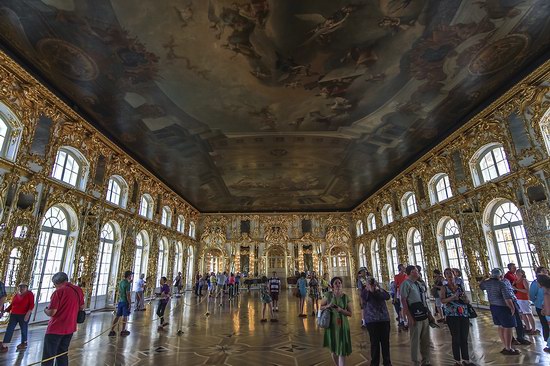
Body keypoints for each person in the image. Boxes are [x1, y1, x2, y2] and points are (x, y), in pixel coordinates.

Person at [41, 272, 84, 366]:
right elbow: (82, 307)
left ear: (56, 283)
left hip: (56, 328)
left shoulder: (59, 292)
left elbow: (52, 312)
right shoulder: (78, 290)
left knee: (48, 355)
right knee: (62, 354)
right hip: (70, 327)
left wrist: (45, 310)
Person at [480, 268, 518, 355]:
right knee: (508, 328)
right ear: (500, 275)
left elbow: (481, 286)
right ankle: (508, 348)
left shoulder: (487, 283)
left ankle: (505, 346)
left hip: (493, 306)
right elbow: (507, 298)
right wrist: (512, 307)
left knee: (500, 326)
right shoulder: (501, 284)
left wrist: (483, 279)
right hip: (503, 307)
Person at [440, 268, 474, 366]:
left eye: (450, 273)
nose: (449, 275)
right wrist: (453, 297)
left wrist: (466, 300)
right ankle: (457, 361)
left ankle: (466, 359)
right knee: (456, 338)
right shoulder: (444, 288)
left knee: (464, 337)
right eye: (447, 274)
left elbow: (467, 299)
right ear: (445, 276)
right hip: (452, 315)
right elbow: (442, 300)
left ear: (454, 274)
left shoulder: (459, 286)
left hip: (463, 313)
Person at [401, 265, 431, 366]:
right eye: (416, 271)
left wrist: (429, 314)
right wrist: (409, 317)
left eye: (418, 271)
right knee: (415, 340)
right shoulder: (406, 284)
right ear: (410, 273)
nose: (418, 272)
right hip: (414, 315)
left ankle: (426, 361)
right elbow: (403, 300)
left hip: (424, 315)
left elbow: (424, 300)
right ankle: (416, 362)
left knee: (426, 340)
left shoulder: (419, 283)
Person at [320, 276, 352, 366]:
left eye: (339, 283)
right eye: (336, 283)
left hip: (343, 325)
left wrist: (341, 310)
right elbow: (321, 307)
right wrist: (328, 305)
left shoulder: (346, 297)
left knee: (342, 350)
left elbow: (350, 313)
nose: (338, 285)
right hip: (332, 325)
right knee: (333, 349)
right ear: (332, 286)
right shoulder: (328, 295)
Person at [361, 278, 391, 366]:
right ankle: (374, 363)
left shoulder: (380, 290)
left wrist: (377, 289)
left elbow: (387, 297)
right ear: (366, 285)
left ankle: (387, 363)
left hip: (384, 319)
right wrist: (370, 290)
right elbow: (365, 299)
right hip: (372, 321)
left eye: (373, 283)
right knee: (374, 344)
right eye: (369, 283)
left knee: (385, 343)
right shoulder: (364, 292)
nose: (372, 285)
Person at [0, 283, 34, 352]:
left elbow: (31, 304)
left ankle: (24, 343)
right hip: (14, 314)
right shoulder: (16, 295)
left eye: (23, 287)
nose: (21, 288)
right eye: (20, 287)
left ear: (26, 288)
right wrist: (6, 310)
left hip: (24, 315)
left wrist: (28, 313)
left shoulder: (29, 294)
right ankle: (5, 345)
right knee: (10, 329)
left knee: (23, 328)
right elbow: (12, 304)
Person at [109, 270, 133, 337]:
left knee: (117, 316)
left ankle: (112, 330)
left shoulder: (121, 282)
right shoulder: (127, 284)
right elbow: (128, 294)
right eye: (131, 275)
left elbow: (121, 289)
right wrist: (130, 303)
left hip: (120, 301)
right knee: (125, 316)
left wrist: (129, 283)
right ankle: (123, 330)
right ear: (129, 276)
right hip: (125, 302)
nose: (131, 277)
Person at [514, 269, 537, 334]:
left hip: (524, 299)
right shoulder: (516, 280)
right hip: (518, 299)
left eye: (519, 273)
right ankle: (528, 327)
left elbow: (527, 290)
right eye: (517, 273)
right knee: (523, 314)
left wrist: (517, 289)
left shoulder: (524, 280)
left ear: (522, 273)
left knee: (529, 314)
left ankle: (534, 329)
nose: (517, 274)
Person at [529, 266, 549, 340]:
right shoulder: (536, 283)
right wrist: (537, 302)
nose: (546, 271)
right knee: (545, 324)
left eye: (545, 270)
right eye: (543, 270)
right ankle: (547, 341)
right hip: (541, 307)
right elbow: (531, 295)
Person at [394, 264, 408, 331]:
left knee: (405, 307)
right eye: (403, 267)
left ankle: (403, 320)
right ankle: (404, 321)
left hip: (407, 292)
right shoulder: (397, 276)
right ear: (400, 268)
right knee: (402, 307)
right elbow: (395, 286)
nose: (404, 268)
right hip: (400, 293)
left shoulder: (406, 275)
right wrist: (395, 296)